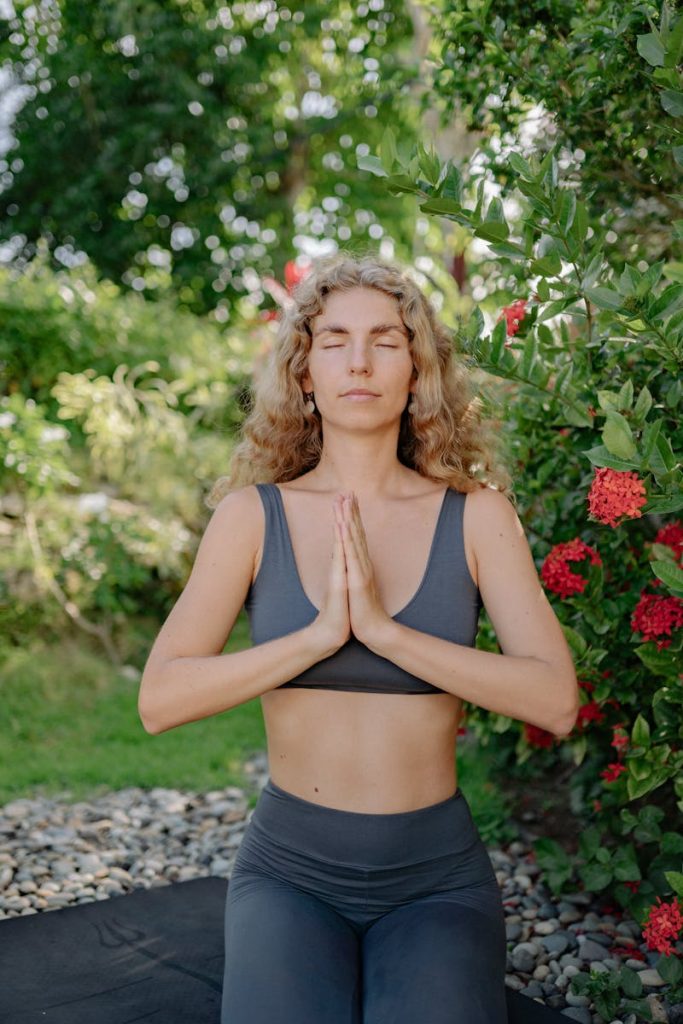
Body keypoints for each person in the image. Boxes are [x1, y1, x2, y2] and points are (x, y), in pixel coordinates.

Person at [138, 252, 579, 1024]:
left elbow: (555, 699)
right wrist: (316, 637)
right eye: (335, 340)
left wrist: (384, 631)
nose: (360, 361)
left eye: (386, 339)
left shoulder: (476, 516)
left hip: (434, 880)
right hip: (288, 875)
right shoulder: (251, 516)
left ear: (418, 371)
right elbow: (160, 698)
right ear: (303, 372)